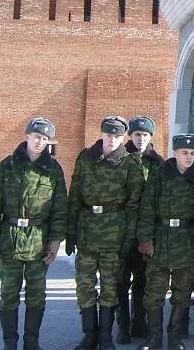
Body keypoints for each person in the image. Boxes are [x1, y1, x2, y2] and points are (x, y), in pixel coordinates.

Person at [0, 117, 67, 350]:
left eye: (45, 139)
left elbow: (60, 209)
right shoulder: (7, 166)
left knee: (36, 294)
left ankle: (32, 342)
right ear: (27, 136)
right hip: (9, 238)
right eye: (37, 137)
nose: (40, 142)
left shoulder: (53, 171)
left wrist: (55, 242)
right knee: (9, 294)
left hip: (39, 240)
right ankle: (10, 343)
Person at [67, 116, 145, 350]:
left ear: (123, 137)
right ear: (101, 134)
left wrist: (130, 238)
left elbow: (134, 205)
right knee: (84, 286)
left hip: (115, 233)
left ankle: (105, 336)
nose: (112, 140)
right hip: (87, 231)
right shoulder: (85, 158)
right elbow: (74, 197)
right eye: (108, 135)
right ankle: (89, 335)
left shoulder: (130, 163)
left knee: (110, 286)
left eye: (117, 136)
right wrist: (70, 233)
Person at [136, 134, 194, 350]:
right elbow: (147, 209)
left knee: (183, 292)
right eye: (184, 153)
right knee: (154, 292)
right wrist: (145, 240)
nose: (188, 157)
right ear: (174, 153)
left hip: (188, 240)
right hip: (161, 238)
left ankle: (174, 335)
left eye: (191, 153)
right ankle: (154, 337)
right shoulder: (159, 175)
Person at [118, 116, 165, 344]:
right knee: (120, 281)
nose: (141, 139)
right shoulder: (120, 158)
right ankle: (122, 326)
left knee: (143, 280)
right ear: (130, 136)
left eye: (145, 135)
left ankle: (139, 322)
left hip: (147, 230)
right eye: (137, 135)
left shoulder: (157, 163)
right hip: (120, 229)